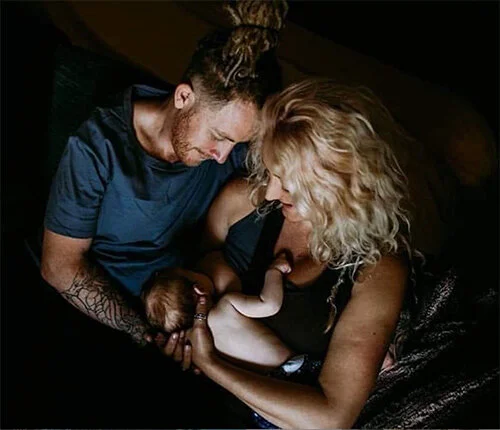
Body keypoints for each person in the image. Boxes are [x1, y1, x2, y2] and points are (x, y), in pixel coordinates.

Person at [40, 0, 288, 347]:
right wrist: (146, 334)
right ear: (184, 96)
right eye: (218, 137)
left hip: (200, 295)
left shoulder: (230, 144)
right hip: (123, 313)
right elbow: (59, 266)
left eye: (236, 143)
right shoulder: (97, 148)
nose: (222, 157)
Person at [179, 78, 416, 428]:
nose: (271, 193)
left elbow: (331, 418)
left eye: (289, 183)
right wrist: (180, 332)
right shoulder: (240, 203)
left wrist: (212, 364)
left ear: (338, 181)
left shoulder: (378, 268)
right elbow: (193, 283)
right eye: (270, 173)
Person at [142, 253, 293, 371]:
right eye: (191, 271)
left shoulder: (199, 346)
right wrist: (274, 271)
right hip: (291, 366)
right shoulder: (226, 305)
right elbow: (270, 305)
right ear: (199, 289)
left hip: (265, 384)